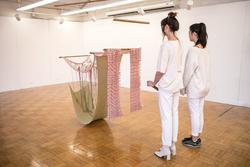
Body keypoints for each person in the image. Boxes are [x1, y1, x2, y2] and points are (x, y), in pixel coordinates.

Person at [147, 12, 183, 160]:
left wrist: (153, 83)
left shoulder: (166, 45)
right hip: (176, 85)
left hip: (167, 86)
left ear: (167, 27)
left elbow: (161, 70)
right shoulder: (179, 43)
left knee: (166, 117)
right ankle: (173, 146)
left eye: (163, 27)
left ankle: (165, 149)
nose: (162, 30)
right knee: (174, 114)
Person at [181, 23, 210, 148]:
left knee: (194, 113)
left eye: (189, 32)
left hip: (195, 88)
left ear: (195, 34)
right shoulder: (205, 51)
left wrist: (183, 86)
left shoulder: (193, 50)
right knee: (199, 112)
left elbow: (188, 71)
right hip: (204, 88)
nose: (188, 34)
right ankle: (196, 136)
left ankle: (193, 139)